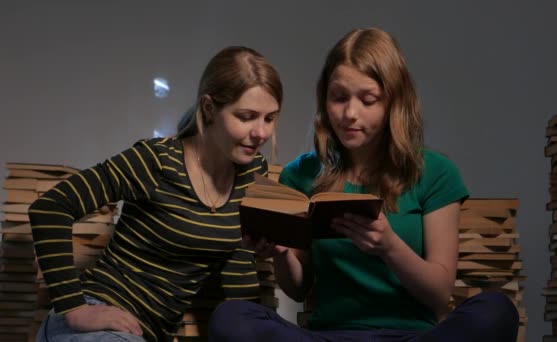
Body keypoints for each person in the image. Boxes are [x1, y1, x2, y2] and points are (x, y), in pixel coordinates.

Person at [208, 28, 520, 342]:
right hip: (329, 338)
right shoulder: (301, 175)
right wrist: (280, 254)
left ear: (393, 103)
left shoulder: (435, 172)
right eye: (338, 97)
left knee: (496, 310)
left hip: (413, 338)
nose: (349, 114)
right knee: (231, 317)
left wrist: (389, 247)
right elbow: (298, 287)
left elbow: (439, 295)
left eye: (368, 100)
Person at [29, 45, 283, 342]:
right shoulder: (156, 162)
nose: (262, 132)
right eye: (247, 116)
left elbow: (237, 268)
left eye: (270, 118)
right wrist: (74, 309)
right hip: (97, 321)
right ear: (209, 108)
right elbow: (50, 208)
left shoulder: (252, 173)